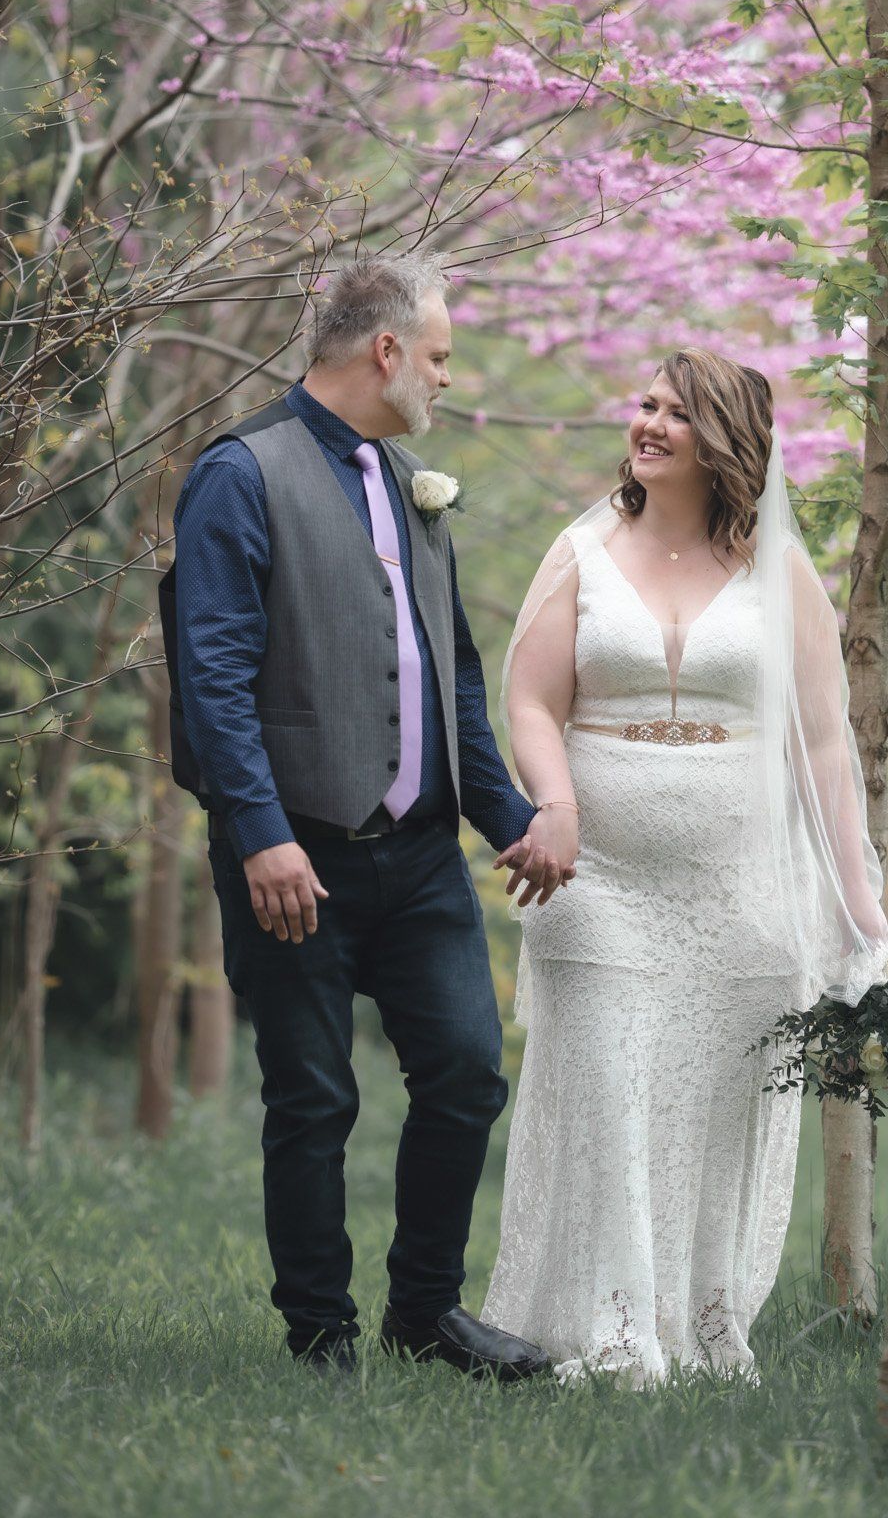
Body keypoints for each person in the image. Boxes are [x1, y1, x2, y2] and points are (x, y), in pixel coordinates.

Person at [160, 254, 561, 1379]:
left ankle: (424, 1314)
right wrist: (261, 835)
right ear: (384, 350)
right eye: (437, 354)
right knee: (313, 1098)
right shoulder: (241, 474)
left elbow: (452, 680)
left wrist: (510, 819)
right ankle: (321, 1336)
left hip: (422, 858)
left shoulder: (413, 482)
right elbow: (213, 676)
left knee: (470, 1072)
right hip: (295, 859)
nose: (446, 375)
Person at [483, 349, 888, 1386]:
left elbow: (824, 741)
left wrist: (854, 896)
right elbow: (529, 699)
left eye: (676, 411)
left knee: (715, 1112)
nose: (649, 421)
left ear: (725, 442)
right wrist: (558, 802)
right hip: (598, 878)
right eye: (646, 403)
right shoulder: (580, 548)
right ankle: (618, 1333)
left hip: (738, 889)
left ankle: (703, 1320)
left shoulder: (779, 571)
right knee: (614, 1091)